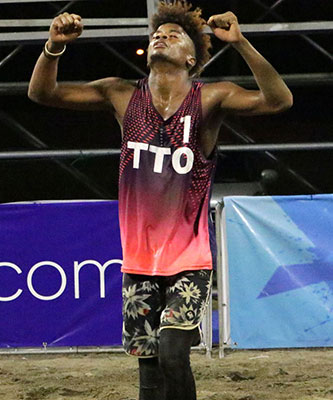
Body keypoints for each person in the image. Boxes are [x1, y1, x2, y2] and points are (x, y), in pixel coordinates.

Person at [28, 2, 291, 400]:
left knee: (172, 353)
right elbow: (42, 93)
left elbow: (278, 100)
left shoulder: (210, 98)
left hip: (189, 258)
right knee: (148, 367)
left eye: (174, 34)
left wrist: (240, 44)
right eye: (156, 33)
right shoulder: (120, 93)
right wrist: (53, 47)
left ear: (192, 58)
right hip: (138, 259)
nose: (161, 36)